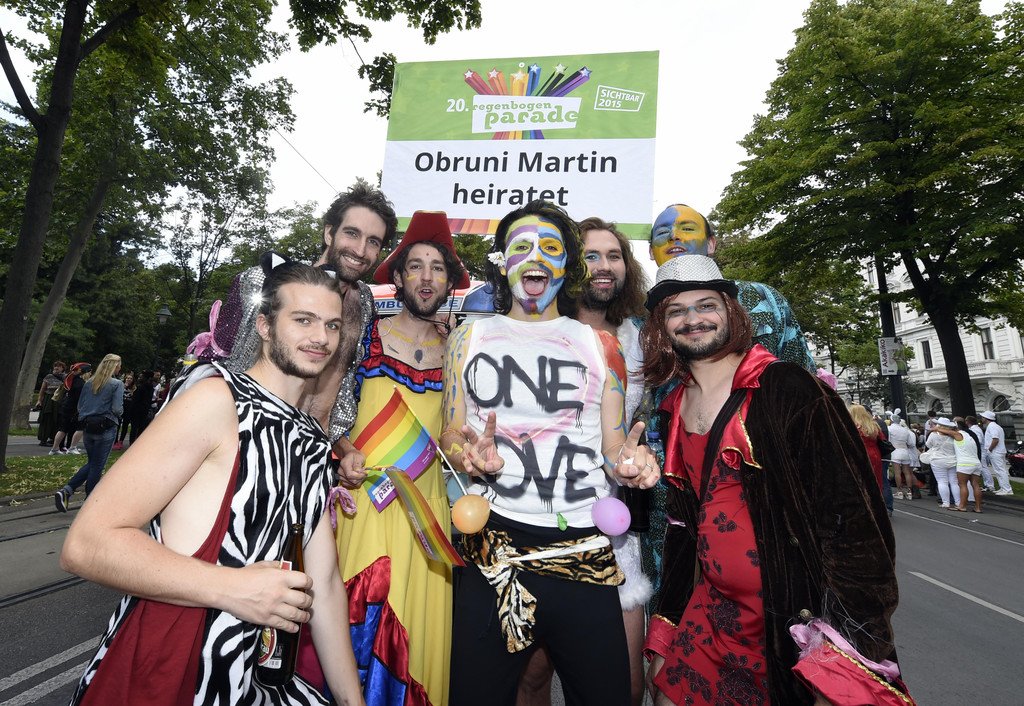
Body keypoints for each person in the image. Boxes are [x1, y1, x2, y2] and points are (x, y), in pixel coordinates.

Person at [60, 259, 364, 706]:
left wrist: (353, 701)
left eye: (332, 325)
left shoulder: (313, 440)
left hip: (248, 679)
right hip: (171, 669)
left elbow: (327, 583)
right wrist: (234, 588)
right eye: (303, 320)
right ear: (264, 325)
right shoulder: (215, 401)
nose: (321, 337)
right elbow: (86, 544)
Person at [640, 255, 906, 705]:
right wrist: (666, 631)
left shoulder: (787, 387)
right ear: (661, 328)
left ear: (731, 312)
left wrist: (849, 656)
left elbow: (855, 526)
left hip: (788, 625)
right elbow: (682, 532)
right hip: (708, 617)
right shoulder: (674, 407)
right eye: (676, 311)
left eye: (706, 305)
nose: (693, 319)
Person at [443, 201, 660, 706]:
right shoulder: (467, 338)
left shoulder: (601, 345)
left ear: (567, 265)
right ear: (503, 261)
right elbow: (451, 431)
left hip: (584, 550)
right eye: (521, 246)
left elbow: (612, 444)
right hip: (495, 550)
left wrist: (630, 463)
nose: (535, 256)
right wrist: (468, 452)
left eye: (550, 247)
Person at [643, 203, 817, 611]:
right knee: (676, 614)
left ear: (712, 243)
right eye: (662, 233)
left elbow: (803, 390)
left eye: (687, 228)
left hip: (761, 497)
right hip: (672, 504)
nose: (674, 237)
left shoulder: (763, 299)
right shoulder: (640, 321)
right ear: (651, 252)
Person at [328, 211, 468, 705]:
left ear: (449, 282)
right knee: (351, 630)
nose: (426, 277)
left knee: (419, 645)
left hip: (425, 515)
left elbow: (455, 434)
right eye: (415, 266)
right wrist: (344, 451)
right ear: (400, 277)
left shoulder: (460, 353)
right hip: (361, 504)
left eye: (437, 268)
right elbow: (326, 411)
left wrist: (468, 452)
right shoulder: (363, 336)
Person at [515, 217, 651, 706]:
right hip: (543, 517)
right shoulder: (538, 331)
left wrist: (642, 457)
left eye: (614, 256)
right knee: (533, 676)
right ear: (572, 266)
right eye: (591, 255)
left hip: (614, 521)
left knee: (625, 686)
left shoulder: (640, 338)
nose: (604, 266)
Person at [197, 180, 397, 447]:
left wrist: (344, 450)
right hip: (245, 443)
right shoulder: (262, 283)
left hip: (315, 453)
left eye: (373, 241)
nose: (360, 250)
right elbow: (214, 368)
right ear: (329, 233)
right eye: (352, 233)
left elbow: (340, 387)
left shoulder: (364, 302)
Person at [54, 355, 124, 512]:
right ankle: (89, 499)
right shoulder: (116, 384)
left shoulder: (89, 383)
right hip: (106, 426)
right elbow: (117, 409)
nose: (120, 368)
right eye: (119, 366)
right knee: (97, 465)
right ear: (114, 366)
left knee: (93, 462)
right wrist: (119, 414)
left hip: (88, 426)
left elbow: (80, 406)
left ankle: (67, 490)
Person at [50, 363, 90, 455]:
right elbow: (81, 398)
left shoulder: (71, 379)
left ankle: (55, 449)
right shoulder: (81, 383)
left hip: (66, 406)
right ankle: (72, 447)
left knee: (63, 429)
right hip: (74, 408)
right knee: (80, 428)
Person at [849, 404, 885, 490]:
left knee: (861, 481)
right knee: (876, 479)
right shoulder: (873, 425)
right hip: (875, 453)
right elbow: (883, 439)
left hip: (859, 454)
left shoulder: (852, 427)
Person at [926, 421, 959, 509]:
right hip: (952, 460)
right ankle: (958, 502)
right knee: (954, 482)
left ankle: (946, 502)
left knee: (942, 481)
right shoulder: (953, 435)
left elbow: (928, 445)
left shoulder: (933, 435)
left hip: (938, 460)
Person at [980, 411, 1013, 495]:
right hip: (998, 451)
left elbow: (995, 439)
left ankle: (1007, 489)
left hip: (995, 451)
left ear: (986, 418)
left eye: (983, 417)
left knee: (1000, 470)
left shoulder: (992, 427)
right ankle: (1003, 488)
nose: (982, 419)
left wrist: (990, 449)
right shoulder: (996, 426)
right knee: (999, 470)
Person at [35, 360, 66, 446]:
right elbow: (42, 390)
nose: (56, 368)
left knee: (57, 420)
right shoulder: (49, 376)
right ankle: (43, 439)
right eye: (55, 366)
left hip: (60, 400)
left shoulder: (66, 377)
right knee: (47, 419)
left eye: (59, 366)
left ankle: (53, 439)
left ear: (62, 368)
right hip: (49, 399)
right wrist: (39, 400)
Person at [887, 415, 916, 500]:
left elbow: (888, 440)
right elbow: (911, 443)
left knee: (897, 472)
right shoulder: (905, 430)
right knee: (907, 472)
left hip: (895, 452)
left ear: (891, 420)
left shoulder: (889, 428)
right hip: (905, 451)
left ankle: (899, 491)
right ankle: (909, 492)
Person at [966, 415, 994, 491]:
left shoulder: (975, 430)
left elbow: (979, 440)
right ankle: (988, 484)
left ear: (968, 422)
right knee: (982, 468)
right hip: (979, 451)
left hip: (980, 451)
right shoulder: (974, 429)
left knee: (983, 468)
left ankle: (989, 485)